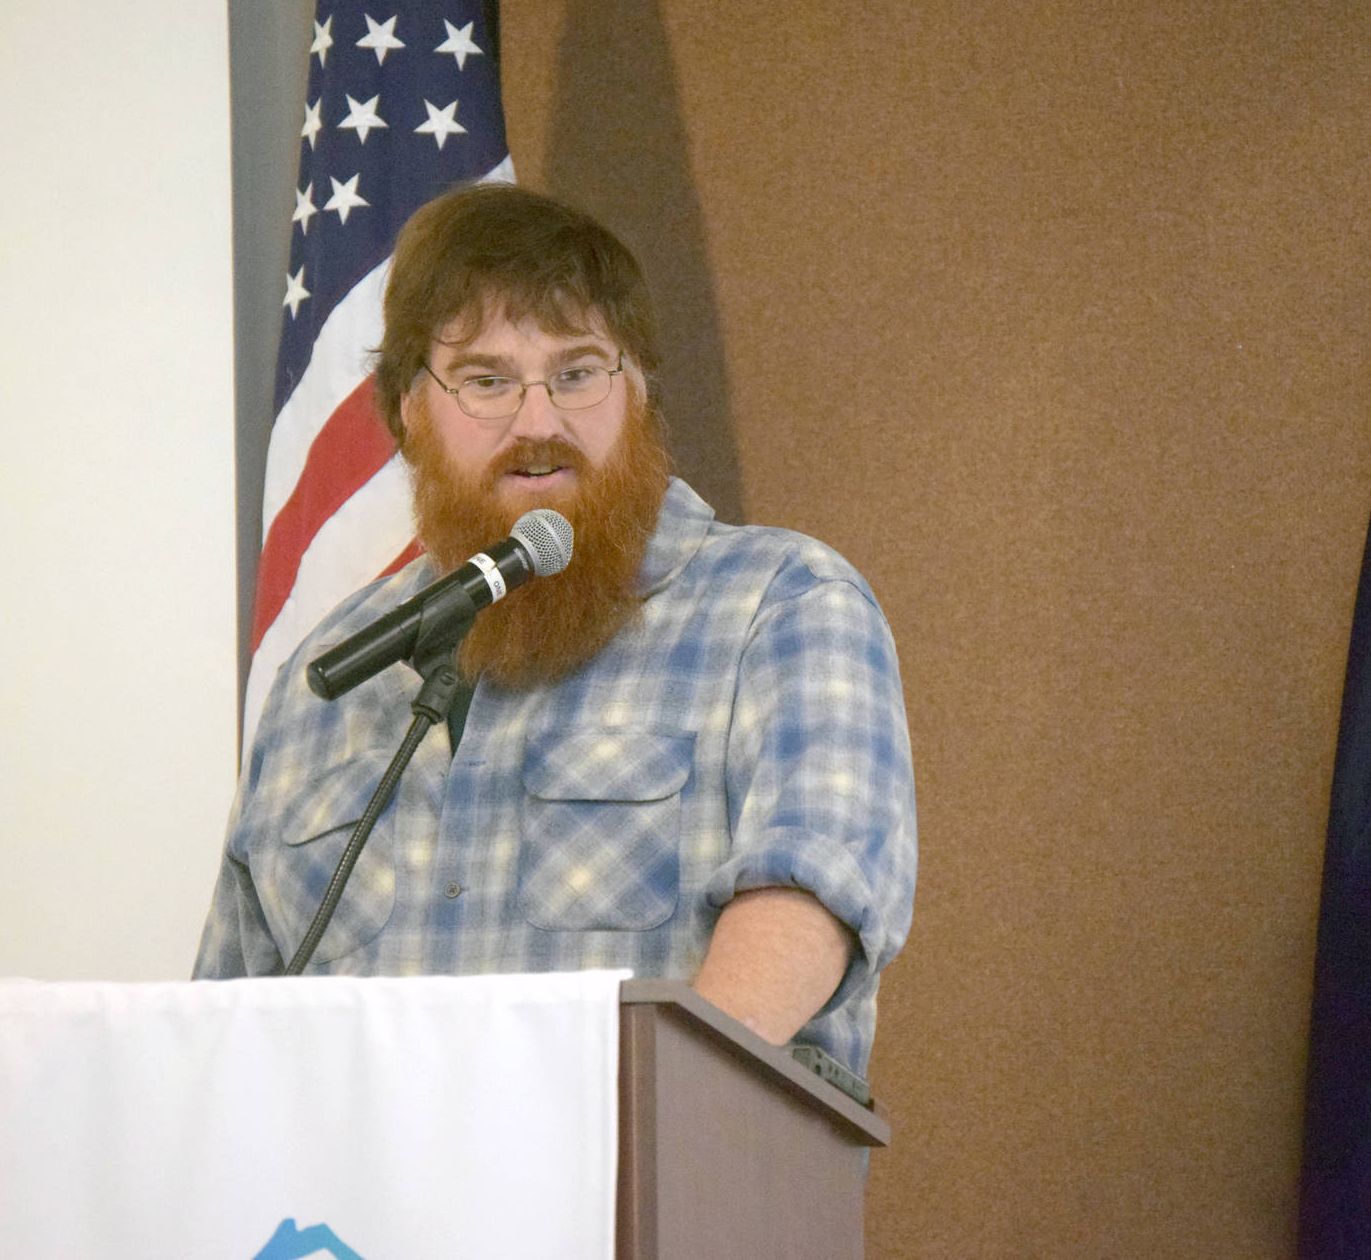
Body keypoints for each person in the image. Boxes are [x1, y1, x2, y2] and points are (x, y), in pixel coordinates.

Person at [194, 183, 915, 1075]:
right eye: (486, 380)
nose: (539, 423)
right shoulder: (326, 678)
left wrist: (603, 1129)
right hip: (351, 1211)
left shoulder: (783, 606)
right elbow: (221, 1020)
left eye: (577, 372)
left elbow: (812, 906)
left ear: (640, 393)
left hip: (652, 1192)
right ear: (408, 416)